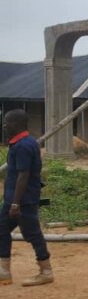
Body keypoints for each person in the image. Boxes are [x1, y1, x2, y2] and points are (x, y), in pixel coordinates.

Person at [0, 109, 53, 287]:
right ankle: (4, 270)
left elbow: (24, 175)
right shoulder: (23, 143)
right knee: (1, 229)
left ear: (18, 124)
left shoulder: (23, 145)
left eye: (8, 122)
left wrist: (15, 202)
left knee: (32, 234)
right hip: (12, 199)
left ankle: (46, 271)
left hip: (22, 200)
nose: (5, 125)